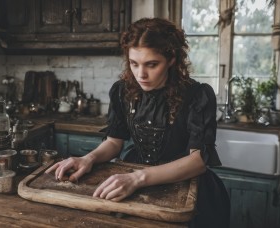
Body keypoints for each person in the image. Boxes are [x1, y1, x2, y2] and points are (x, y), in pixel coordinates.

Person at [46, 17, 230, 228]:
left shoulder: (197, 95)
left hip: (184, 190)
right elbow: (115, 142)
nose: (141, 74)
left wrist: (137, 178)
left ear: (171, 59)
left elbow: (198, 161)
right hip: (134, 186)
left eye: (152, 64)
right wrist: (89, 158)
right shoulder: (122, 91)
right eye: (134, 64)